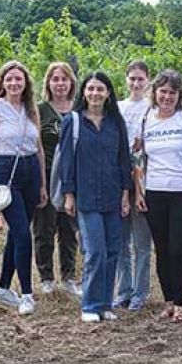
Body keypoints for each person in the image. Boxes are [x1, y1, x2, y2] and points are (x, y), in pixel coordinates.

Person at [59, 72, 134, 323]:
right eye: (90, 89)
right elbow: (67, 161)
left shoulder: (116, 122)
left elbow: (124, 160)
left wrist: (126, 194)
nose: (95, 93)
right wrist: (69, 195)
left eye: (100, 89)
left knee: (113, 250)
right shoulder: (74, 121)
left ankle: (104, 304)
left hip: (113, 196)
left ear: (109, 93)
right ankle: (89, 305)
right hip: (87, 197)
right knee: (95, 251)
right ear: (83, 92)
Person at [134, 70, 182, 323]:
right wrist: (138, 190)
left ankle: (179, 303)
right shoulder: (146, 120)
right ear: (155, 93)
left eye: (172, 93)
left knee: (177, 249)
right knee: (162, 250)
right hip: (155, 193)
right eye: (162, 91)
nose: (166, 97)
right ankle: (167, 302)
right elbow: (139, 159)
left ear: (179, 95)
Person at [0, 61, 47, 316]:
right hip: (5, 172)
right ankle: (27, 294)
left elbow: (38, 147)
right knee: (21, 232)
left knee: (17, 233)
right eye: (9, 79)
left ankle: (3, 288)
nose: (14, 83)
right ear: (2, 82)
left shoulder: (31, 110)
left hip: (30, 170)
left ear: (26, 83)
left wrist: (42, 183)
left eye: (19, 79)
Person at [33, 62, 81, 296]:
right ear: (48, 83)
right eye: (55, 79)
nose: (60, 83)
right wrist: (40, 182)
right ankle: (46, 277)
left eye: (64, 79)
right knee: (44, 228)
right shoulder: (39, 111)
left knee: (69, 229)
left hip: (73, 179)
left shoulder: (79, 110)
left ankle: (69, 277)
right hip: (47, 176)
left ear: (71, 83)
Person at [114, 60, 154, 311]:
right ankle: (123, 290)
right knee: (120, 241)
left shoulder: (153, 108)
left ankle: (140, 292)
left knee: (141, 242)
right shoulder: (118, 108)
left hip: (145, 179)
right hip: (120, 179)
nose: (136, 83)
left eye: (140, 79)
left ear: (147, 80)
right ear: (126, 80)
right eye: (132, 78)